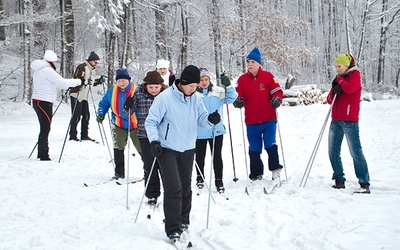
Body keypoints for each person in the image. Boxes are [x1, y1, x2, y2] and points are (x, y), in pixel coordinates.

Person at [145, 65, 221, 240]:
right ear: (182, 83)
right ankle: (173, 228)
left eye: (196, 86)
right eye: (191, 86)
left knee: (186, 187)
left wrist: (211, 120)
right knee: (173, 187)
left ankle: (183, 220)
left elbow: (202, 120)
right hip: (167, 148)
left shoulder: (196, 99)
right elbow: (151, 122)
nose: (194, 89)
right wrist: (155, 141)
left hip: (188, 148)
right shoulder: (165, 98)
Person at [233, 47, 284, 181]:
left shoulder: (268, 76)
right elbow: (238, 95)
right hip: (252, 120)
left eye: (253, 62)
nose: (250, 64)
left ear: (259, 64)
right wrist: (238, 101)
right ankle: (256, 173)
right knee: (254, 147)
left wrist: (277, 99)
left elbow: (277, 91)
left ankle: (275, 170)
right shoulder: (242, 79)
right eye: (248, 62)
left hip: (269, 119)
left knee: (270, 144)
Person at [327, 53, 371, 193]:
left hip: (350, 121)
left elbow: (350, 88)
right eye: (336, 66)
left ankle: (364, 183)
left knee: (355, 152)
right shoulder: (338, 78)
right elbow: (329, 99)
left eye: (339, 66)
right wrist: (334, 90)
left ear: (347, 65)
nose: (337, 69)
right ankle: (339, 179)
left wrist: (339, 82)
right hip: (336, 120)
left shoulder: (355, 76)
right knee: (333, 151)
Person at [123, 70, 168, 205]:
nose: (154, 90)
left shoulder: (167, 96)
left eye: (156, 87)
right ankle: (152, 194)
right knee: (149, 165)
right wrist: (128, 105)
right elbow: (127, 112)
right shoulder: (139, 94)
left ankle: (170, 193)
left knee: (166, 166)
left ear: (161, 86)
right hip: (145, 135)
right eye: (151, 87)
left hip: (165, 136)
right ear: (146, 86)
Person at [31, 50, 81, 161]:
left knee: (44, 127)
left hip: (38, 100)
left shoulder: (38, 70)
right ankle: (44, 155)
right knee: (45, 128)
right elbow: (62, 83)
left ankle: (41, 152)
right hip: (44, 101)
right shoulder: (47, 70)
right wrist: (78, 81)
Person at [195, 68, 238, 192]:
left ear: (209, 80)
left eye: (206, 79)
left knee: (217, 156)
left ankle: (219, 180)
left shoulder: (217, 91)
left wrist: (228, 85)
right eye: (201, 80)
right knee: (200, 156)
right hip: (200, 131)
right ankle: (199, 178)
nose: (204, 82)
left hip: (216, 130)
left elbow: (231, 98)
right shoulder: (194, 94)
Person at [96, 68, 141, 180]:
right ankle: (119, 173)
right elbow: (104, 103)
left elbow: (143, 106)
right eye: (119, 80)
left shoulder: (137, 90)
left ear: (128, 80)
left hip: (136, 125)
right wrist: (101, 113)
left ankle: (148, 171)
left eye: (124, 80)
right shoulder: (112, 91)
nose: (121, 83)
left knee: (142, 149)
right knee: (118, 148)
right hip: (118, 124)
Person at [69, 51, 103, 141]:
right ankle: (72, 135)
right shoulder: (82, 67)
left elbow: (90, 83)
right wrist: (81, 81)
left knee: (86, 115)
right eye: (95, 62)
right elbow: (76, 79)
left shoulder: (92, 70)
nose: (96, 64)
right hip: (77, 94)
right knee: (76, 116)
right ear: (91, 61)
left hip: (85, 96)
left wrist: (99, 81)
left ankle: (84, 135)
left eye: (98, 63)